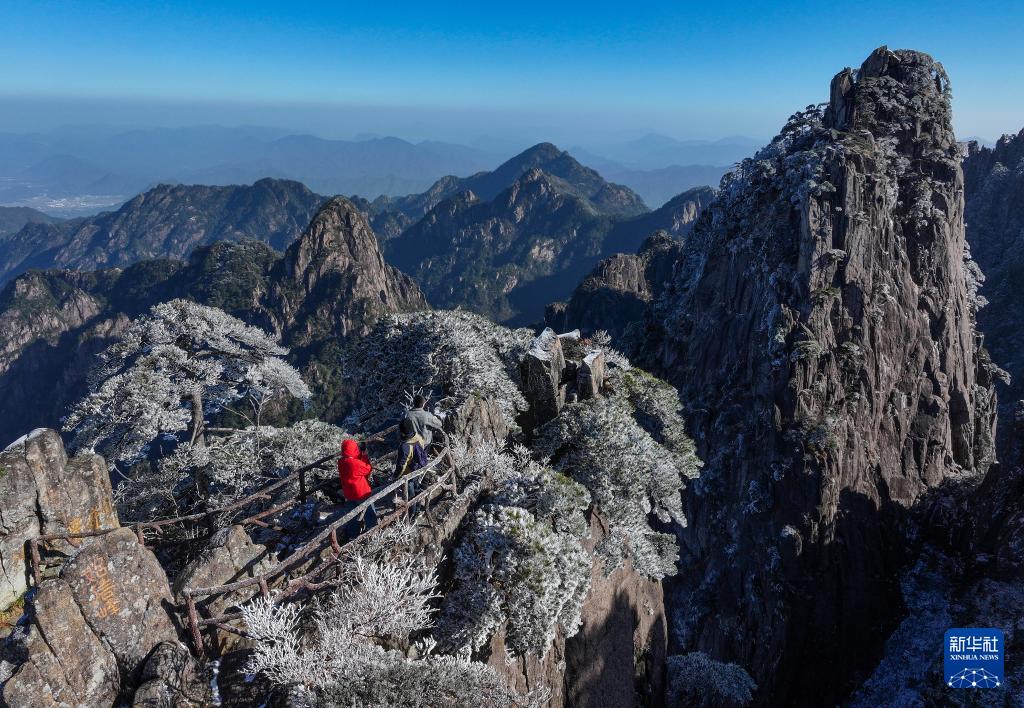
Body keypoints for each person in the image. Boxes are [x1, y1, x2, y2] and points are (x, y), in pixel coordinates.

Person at [335, 438, 377, 538]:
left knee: (353, 516)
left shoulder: (341, 462)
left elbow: (351, 459)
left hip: (349, 493)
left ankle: (352, 536)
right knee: (369, 513)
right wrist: (365, 455)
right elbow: (368, 468)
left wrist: (358, 455)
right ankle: (373, 531)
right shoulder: (355, 464)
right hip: (361, 493)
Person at [395, 418, 428, 510]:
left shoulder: (405, 446)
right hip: (417, 468)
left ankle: (412, 513)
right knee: (417, 487)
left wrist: (396, 476)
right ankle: (418, 508)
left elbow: (402, 465)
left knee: (410, 495)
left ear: (402, 432)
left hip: (408, 473)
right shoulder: (418, 436)